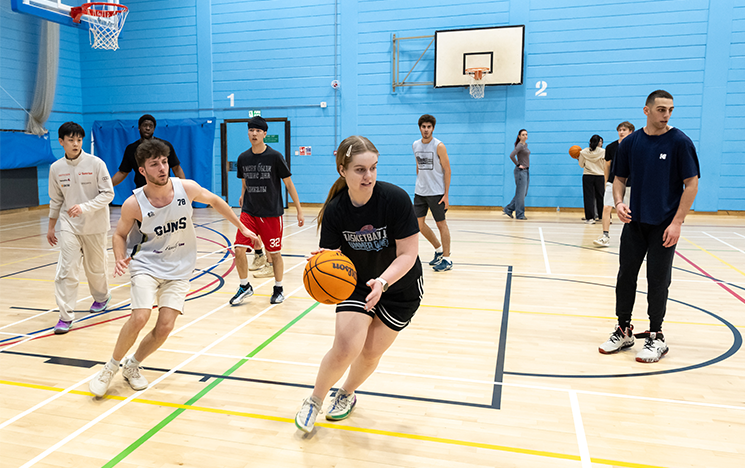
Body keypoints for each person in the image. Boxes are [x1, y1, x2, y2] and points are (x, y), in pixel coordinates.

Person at [88, 139, 258, 397]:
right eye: (154, 164)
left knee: (166, 326)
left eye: (164, 162)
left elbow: (215, 201)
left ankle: (132, 366)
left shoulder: (186, 188)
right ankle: (110, 367)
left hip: (180, 267)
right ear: (142, 171)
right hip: (147, 264)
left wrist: (242, 227)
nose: (162, 168)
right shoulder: (134, 204)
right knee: (141, 316)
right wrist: (119, 257)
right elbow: (119, 234)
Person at [294, 136, 423, 433]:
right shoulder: (336, 210)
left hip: (399, 287)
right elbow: (332, 255)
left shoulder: (395, 199)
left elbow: (409, 254)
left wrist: (383, 281)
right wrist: (323, 262)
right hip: (356, 284)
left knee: (369, 352)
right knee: (345, 347)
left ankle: (347, 393)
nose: (369, 177)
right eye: (360, 170)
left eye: (373, 168)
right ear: (343, 170)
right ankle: (314, 400)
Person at [599, 90, 700, 363]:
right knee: (625, 277)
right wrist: (619, 202)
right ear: (647, 110)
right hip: (635, 223)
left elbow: (691, 184)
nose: (666, 115)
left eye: (670, 110)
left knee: (657, 281)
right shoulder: (630, 143)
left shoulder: (680, 142)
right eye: (661, 110)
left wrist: (677, 221)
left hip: (664, 226)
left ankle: (656, 337)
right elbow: (619, 178)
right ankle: (624, 329)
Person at [47, 122, 114, 334]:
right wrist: (51, 227)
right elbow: (55, 199)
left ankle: (102, 297)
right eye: (71, 140)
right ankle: (65, 316)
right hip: (69, 225)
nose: (76, 144)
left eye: (79, 140)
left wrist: (84, 207)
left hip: (95, 225)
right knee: (66, 269)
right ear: (61, 142)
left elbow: (108, 194)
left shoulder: (96, 164)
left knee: (95, 269)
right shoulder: (56, 168)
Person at [229, 116, 304, 306]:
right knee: (238, 249)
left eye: (257, 131)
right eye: (251, 130)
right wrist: (242, 196)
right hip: (249, 212)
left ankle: (278, 288)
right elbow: (244, 181)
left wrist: (299, 209)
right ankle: (244, 286)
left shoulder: (275, 157)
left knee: (275, 254)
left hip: (271, 213)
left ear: (264, 134)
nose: (254, 134)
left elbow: (288, 183)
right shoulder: (243, 158)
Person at [413, 114, 452, 272]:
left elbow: (447, 170)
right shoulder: (415, 145)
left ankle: (448, 259)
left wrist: (446, 195)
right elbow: (418, 166)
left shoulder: (439, 146)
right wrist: (420, 183)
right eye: (423, 127)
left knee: (441, 224)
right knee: (419, 225)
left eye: (429, 127)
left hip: (436, 193)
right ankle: (438, 250)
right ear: (420, 128)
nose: (426, 130)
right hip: (420, 192)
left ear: (433, 129)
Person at [111, 114, 186, 188]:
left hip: (164, 189)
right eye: (145, 125)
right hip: (142, 190)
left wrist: (184, 187)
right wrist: (107, 187)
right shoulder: (131, 149)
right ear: (139, 127)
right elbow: (123, 172)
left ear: (154, 129)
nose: (147, 128)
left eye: (151, 126)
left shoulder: (165, 146)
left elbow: (176, 168)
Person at [594, 122, 635, 247]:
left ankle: (631, 238)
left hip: (631, 183)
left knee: (630, 211)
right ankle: (605, 235)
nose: (621, 132)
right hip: (613, 182)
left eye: (624, 129)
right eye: (620, 130)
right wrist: (607, 180)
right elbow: (607, 165)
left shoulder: (636, 146)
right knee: (606, 207)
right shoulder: (611, 147)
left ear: (631, 131)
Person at [502, 129, 530, 220]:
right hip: (521, 172)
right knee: (521, 194)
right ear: (519, 136)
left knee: (522, 193)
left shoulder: (525, 145)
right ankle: (520, 214)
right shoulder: (520, 146)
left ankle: (509, 209)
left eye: (526, 134)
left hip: (526, 171)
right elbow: (511, 155)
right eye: (523, 135)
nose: (525, 136)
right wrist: (518, 164)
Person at [578, 135, 605, 224]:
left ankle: (590, 218)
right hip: (600, 175)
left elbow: (581, 165)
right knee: (601, 196)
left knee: (588, 197)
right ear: (599, 142)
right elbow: (605, 165)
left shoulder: (583, 152)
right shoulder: (603, 151)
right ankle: (601, 216)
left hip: (588, 175)